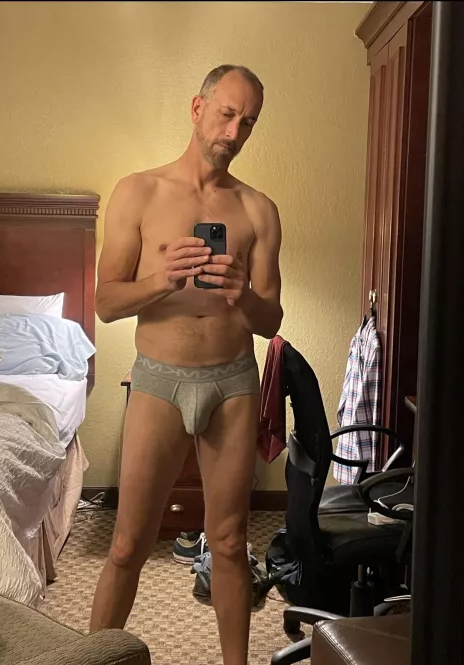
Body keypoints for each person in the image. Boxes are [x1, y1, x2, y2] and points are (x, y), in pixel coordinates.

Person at [90, 64, 283, 665]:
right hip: (159, 379)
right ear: (198, 109)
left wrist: (241, 295)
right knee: (128, 544)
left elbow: (270, 319)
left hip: (232, 382)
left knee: (228, 542)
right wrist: (162, 280)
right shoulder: (138, 192)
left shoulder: (258, 209)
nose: (234, 132)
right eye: (227, 114)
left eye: (248, 122)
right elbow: (105, 303)